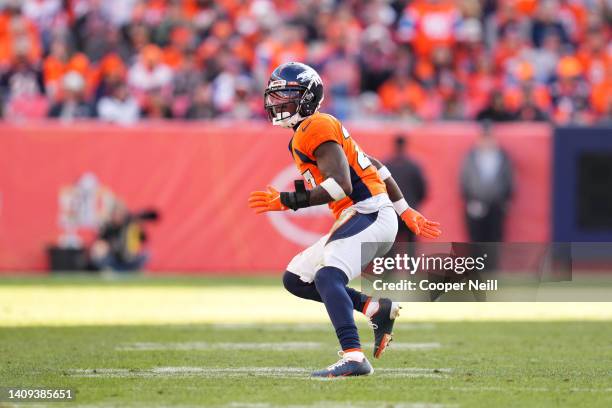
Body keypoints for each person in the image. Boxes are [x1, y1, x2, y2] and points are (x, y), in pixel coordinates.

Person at [248, 62, 442, 377]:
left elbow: (341, 186)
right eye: (276, 94)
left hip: (368, 212)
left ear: (307, 97)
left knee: (327, 277)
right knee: (296, 278)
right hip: (369, 213)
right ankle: (374, 308)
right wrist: (404, 210)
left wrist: (288, 200)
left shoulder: (315, 126)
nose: (277, 101)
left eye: (286, 94)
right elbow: (375, 165)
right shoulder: (307, 132)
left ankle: (353, 355)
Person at [460, 122, 513, 243]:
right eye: (484, 138)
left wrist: (505, 201)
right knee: (476, 240)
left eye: (489, 138)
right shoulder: (471, 157)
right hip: (475, 205)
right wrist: (470, 201)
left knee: (494, 239)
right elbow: (464, 180)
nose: (487, 141)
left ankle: (492, 262)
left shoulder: (502, 157)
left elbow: (508, 179)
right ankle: (478, 262)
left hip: (496, 205)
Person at [89, 202, 159, 272]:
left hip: (130, 258)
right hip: (114, 259)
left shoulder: (130, 224)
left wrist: (140, 225)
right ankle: (109, 270)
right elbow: (101, 241)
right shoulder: (109, 227)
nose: (118, 216)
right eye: (116, 214)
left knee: (147, 253)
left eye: (120, 213)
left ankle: (134, 269)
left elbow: (144, 236)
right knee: (99, 249)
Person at [384, 135, 427, 243]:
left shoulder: (386, 165)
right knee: (410, 247)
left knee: (390, 247)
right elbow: (422, 190)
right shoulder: (413, 166)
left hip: (391, 212)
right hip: (410, 210)